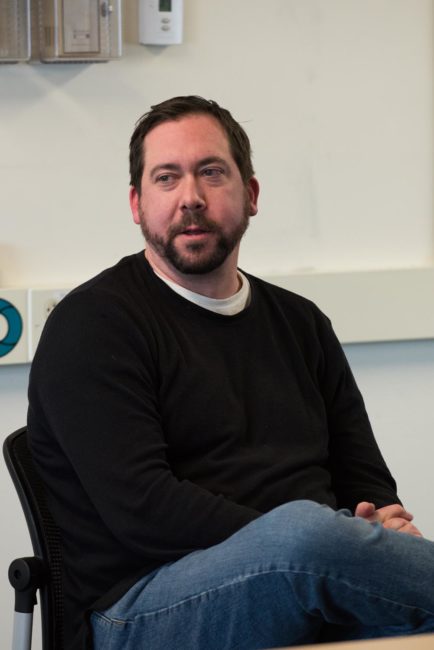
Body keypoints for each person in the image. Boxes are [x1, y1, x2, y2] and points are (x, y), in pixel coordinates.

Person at [28, 96, 434, 650]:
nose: (190, 197)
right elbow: (143, 511)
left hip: (304, 576)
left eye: (211, 173)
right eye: (166, 178)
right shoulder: (92, 325)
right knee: (306, 534)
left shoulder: (301, 322)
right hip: (140, 609)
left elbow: (363, 476)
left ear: (252, 194)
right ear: (136, 204)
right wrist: (319, 540)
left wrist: (379, 525)